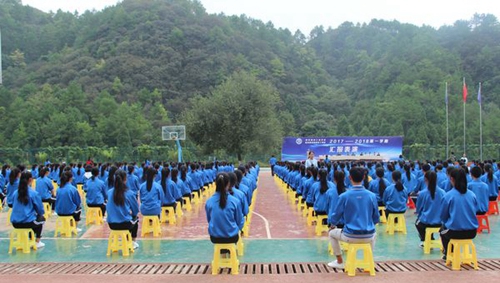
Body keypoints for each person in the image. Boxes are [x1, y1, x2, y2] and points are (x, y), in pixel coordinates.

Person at [327, 167, 380, 269]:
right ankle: (367, 261)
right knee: (374, 233)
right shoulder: (372, 196)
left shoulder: (344, 196)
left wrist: (332, 225)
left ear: (349, 177)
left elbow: (336, 216)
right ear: (364, 177)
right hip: (368, 236)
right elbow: (376, 218)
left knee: (331, 234)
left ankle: (339, 261)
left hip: (350, 235)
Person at [440, 168, 478, 260]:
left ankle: (448, 254)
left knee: (442, 231)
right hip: (472, 232)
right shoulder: (472, 195)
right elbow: (474, 211)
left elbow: (443, 217)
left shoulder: (448, 195)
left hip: (454, 232)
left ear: (452, 179)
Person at [205, 172, 244, 244]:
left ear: (216, 183)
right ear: (228, 184)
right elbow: (239, 220)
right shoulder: (235, 201)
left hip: (215, 238)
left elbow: (209, 220)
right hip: (232, 237)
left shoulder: (209, 202)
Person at [11, 171, 46, 248]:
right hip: (27, 222)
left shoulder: (15, 193)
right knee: (41, 219)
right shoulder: (33, 193)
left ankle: (29, 239)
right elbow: (40, 210)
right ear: (30, 179)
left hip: (15, 223)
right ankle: (37, 241)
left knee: (33, 220)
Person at [106, 169, 140, 249]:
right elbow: (135, 210)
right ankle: (133, 241)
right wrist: (132, 214)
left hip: (111, 225)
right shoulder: (129, 193)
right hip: (125, 224)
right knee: (135, 219)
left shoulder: (109, 192)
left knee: (129, 218)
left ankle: (126, 241)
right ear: (125, 179)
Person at [415, 171, 445, 246]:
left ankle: (424, 240)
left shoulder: (422, 194)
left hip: (426, 222)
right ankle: (430, 239)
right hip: (441, 223)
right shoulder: (443, 193)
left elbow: (418, 209)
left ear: (425, 180)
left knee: (417, 223)